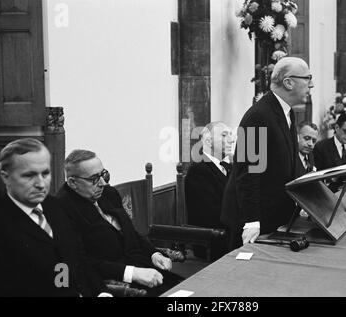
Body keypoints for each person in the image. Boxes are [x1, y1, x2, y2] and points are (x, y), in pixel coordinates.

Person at [0, 139, 107, 297]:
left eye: (45, 173)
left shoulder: (55, 205)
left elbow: (77, 257)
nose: (41, 184)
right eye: (29, 175)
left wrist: (101, 292)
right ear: (6, 176)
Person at [56, 150, 183, 296]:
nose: (103, 183)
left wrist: (154, 254)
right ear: (73, 182)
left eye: (103, 174)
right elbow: (81, 262)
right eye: (94, 179)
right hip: (116, 283)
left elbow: (131, 233)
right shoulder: (62, 209)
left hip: (146, 269)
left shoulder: (108, 193)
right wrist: (132, 273)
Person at [221, 57, 314, 250]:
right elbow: (247, 173)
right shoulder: (258, 116)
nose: (311, 84)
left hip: (275, 214)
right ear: (289, 82)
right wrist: (252, 222)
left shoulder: (287, 112)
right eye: (307, 78)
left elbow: (289, 163)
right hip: (252, 221)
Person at [185, 121, 234, 260]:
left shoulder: (229, 167)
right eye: (224, 135)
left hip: (230, 233)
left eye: (231, 134)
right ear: (208, 140)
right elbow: (211, 214)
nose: (231, 139)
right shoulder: (198, 170)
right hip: (213, 243)